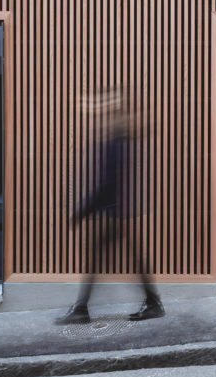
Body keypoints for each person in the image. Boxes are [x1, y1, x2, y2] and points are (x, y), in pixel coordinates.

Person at [57, 86, 165, 324]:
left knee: (101, 259)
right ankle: (152, 302)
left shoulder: (116, 143)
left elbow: (108, 184)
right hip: (119, 210)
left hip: (117, 211)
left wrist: (82, 211)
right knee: (123, 259)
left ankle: (82, 309)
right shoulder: (122, 141)